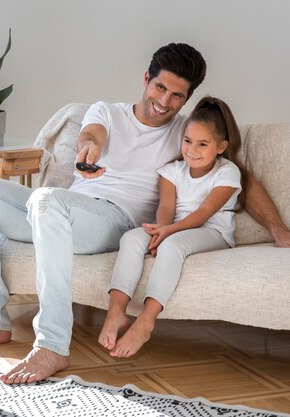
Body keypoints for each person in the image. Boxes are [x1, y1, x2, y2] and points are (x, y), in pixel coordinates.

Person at [0, 43, 290, 385]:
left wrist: (279, 230)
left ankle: (52, 345)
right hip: (60, 216)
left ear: (187, 99)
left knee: (46, 200)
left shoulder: (184, 132)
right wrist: (87, 150)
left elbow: (239, 174)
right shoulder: (107, 112)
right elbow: (92, 135)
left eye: (177, 96)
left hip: (112, 222)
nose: (165, 101)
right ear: (146, 79)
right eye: (160, 88)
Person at [99, 96, 246, 358]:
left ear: (221, 146)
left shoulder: (228, 172)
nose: (192, 150)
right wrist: (159, 231)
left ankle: (146, 320)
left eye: (203, 144)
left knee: (173, 246)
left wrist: (169, 233)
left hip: (211, 232)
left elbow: (204, 213)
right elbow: (166, 208)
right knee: (132, 238)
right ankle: (116, 312)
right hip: (173, 228)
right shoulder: (171, 171)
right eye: (188, 141)